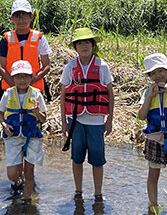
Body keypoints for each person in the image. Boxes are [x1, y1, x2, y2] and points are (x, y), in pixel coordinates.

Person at [60, 27, 114, 202]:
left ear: (93, 45)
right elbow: (63, 95)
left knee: (98, 160)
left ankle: (98, 193)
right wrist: (63, 123)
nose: (84, 46)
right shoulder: (70, 66)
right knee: (77, 158)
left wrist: (110, 120)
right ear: (75, 47)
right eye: (80, 43)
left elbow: (110, 94)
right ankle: (78, 192)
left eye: (87, 43)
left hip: (96, 120)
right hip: (75, 119)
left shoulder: (102, 65)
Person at [137, 53, 167, 215]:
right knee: (153, 175)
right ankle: (153, 206)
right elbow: (142, 115)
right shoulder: (147, 91)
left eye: (161, 71)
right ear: (150, 76)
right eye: (154, 73)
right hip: (154, 138)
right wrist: (149, 96)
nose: (158, 75)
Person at [0, 60, 47, 205]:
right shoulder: (8, 94)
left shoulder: (36, 94)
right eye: (18, 77)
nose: (22, 80)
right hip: (13, 137)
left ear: (31, 77)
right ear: (12, 79)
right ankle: (18, 182)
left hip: (32, 137)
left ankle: (26, 201)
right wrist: (4, 125)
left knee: (29, 172)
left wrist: (37, 112)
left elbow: (43, 120)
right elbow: (0, 113)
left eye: (26, 76)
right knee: (12, 174)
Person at [0, 0, 52, 100]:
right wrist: (14, 84)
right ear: (12, 18)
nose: (21, 20)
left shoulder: (39, 38)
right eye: (17, 16)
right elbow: (1, 67)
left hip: (34, 89)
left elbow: (46, 66)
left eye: (24, 16)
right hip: (10, 90)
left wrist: (32, 80)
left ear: (31, 16)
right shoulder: (6, 39)